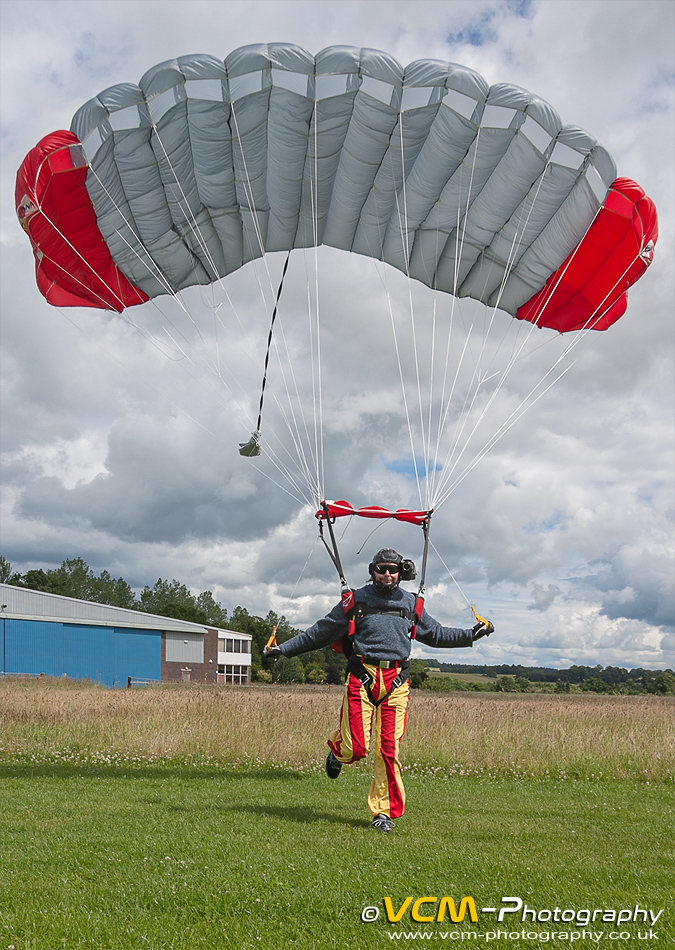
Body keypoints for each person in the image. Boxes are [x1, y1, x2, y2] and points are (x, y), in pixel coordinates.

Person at [264, 547, 493, 832]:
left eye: (392, 569)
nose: (386, 574)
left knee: (389, 750)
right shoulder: (356, 601)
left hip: (397, 681)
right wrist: (282, 649)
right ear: (372, 570)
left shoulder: (410, 603)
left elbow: (435, 634)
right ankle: (337, 752)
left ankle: (383, 813)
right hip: (363, 675)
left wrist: (471, 635)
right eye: (381, 568)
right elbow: (320, 632)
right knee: (357, 748)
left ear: (401, 572)